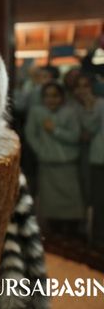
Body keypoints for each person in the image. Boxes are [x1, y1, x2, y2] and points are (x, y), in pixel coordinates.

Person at [25, 82, 84, 236]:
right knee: (51, 205)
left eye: (55, 96)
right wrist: (42, 152)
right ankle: (54, 236)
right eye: (47, 96)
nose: (51, 100)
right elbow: (31, 134)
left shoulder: (70, 113)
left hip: (68, 165)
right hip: (47, 165)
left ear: (62, 97)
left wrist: (55, 130)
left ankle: (72, 234)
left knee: (72, 203)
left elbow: (75, 136)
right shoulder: (36, 112)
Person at [73, 74, 104, 245]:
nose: (83, 90)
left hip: (98, 156)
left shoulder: (101, 104)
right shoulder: (78, 107)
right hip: (93, 158)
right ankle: (95, 237)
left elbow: (90, 131)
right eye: (80, 86)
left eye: (86, 85)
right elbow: (85, 132)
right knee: (94, 197)